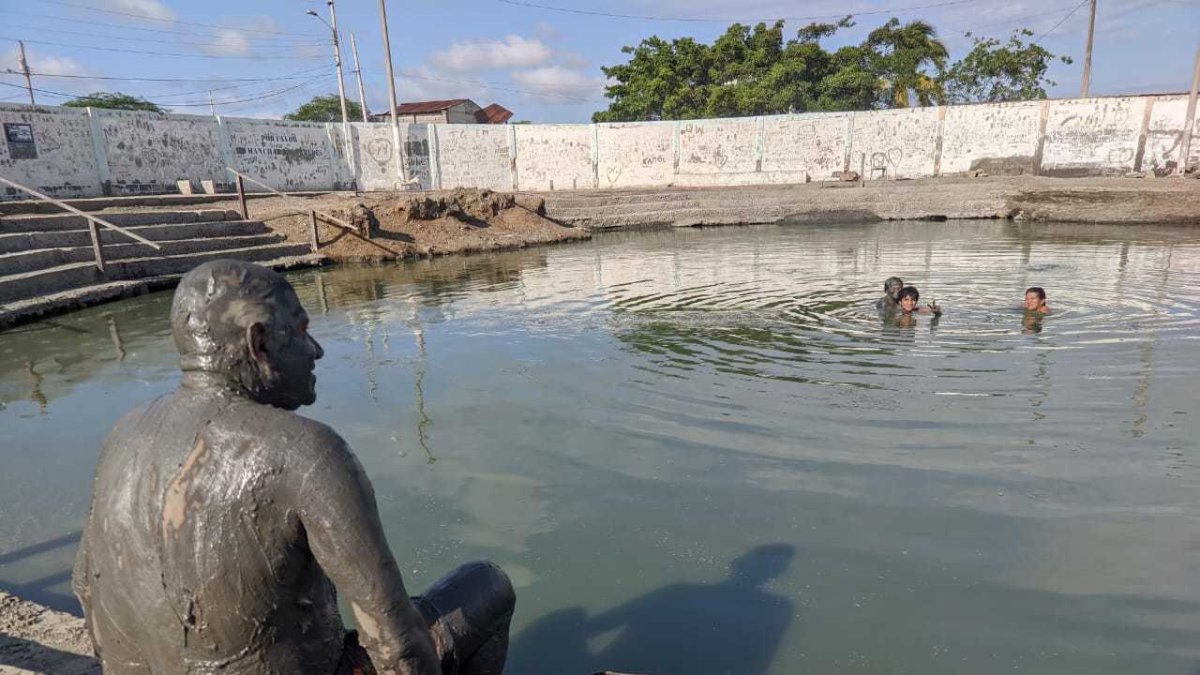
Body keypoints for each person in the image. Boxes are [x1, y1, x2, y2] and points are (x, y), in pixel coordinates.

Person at [72, 260, 514, 675]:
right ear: (259, 343)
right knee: (486, 585)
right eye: (301, 331)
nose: (316, 350)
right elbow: (396, 646)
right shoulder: (305, 452)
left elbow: (85, 589)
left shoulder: (124, 433)